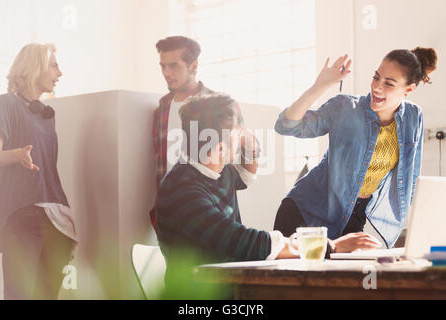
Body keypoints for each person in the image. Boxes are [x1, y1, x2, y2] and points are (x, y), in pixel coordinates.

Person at [155, 94, 373, 298]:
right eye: (238, 133)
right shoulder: (183, 193)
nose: (243, 134)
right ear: (220, 149)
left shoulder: (212, 169)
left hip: (228, 288)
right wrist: (329, 247)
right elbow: (242, 242)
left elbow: (245, 176)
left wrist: (247, 142)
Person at [274, 47, 438, 249]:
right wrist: (320, 86)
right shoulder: (345, 108)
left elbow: (411, 180)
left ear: (408, 89)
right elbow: (287, 126)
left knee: (344, 278)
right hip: (307, 210)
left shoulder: (414, 117)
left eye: (389, 83)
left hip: (354, 215)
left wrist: (421, 232)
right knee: (292, 277)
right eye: (376, 77)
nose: (377, 87)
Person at [0, 43, 77, 299]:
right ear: (35, 67)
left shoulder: (46, 115)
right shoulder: (6, 104)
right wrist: (17, 155)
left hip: (57, 217)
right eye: (54, 65)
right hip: (23, 215)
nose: (60, 73)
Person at [150, 35, 243, 231]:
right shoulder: (161, 109)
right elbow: (160, 165)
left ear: (193, 66)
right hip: (170, 212)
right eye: (162, 66)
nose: (166, 73)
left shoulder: (221, 106)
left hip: (211, 208)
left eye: (174, 66)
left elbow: (235, 159)